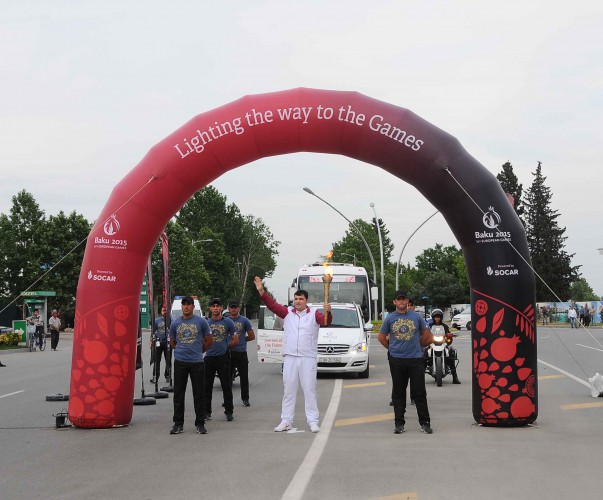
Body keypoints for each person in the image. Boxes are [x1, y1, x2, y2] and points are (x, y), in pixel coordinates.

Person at [254, 276, 331, 433]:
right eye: (296, 299)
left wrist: (329, 312)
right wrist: (262, 291)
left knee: (309, 390)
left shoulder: (314, 314)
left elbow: (325, 322)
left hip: (307, 357)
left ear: (306, 300)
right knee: (289, 390)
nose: (297, 301)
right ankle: (286, 420)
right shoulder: (287, 312)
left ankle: (313, 421)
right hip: (290, 357)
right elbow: (272, 305)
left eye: (301, 299)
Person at [379, 289, 435, 435]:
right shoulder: (390, 318)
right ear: (395, 302)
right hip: (397, 360)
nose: (402, 302)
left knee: (419, 392)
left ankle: (425, 423)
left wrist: (420, 346)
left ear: (408, 301)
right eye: (399, 299)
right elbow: (381, 337)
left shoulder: (416, 317)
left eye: (404, 299)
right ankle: (399, 423)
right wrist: (391, 349)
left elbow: (427, 335)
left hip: (415, 359)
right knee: (398, 392)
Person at [169, 296, 212, 435]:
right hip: (180, 362)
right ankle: (178, 423)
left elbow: (209, 340)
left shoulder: (201, 322)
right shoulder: (175, 323)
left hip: (197, 363)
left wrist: (200, 351)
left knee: (199, 394)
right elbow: (172, 342)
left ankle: (200, 423)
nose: (186, 307)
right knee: (178, 394)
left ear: (193, 307)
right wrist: (182, 351)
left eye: (189, 305)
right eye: (184, 305)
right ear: (182, 307)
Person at [204, 298, 238, 422]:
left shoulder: (228, 322)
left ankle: (229, 411)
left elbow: (235, 339)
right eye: (214, 306)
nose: (216, 308)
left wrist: (226, 348)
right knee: (207, 386)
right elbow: (202, 339)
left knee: (226, 385)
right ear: (210, 308)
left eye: (218, 306)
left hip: (223, 357)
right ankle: (206, 411)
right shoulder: (206, 323)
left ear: (221, 308)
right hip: (209, 357)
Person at [227, 301, 255, 407]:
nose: (234, 309)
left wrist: (242, 340)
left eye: (235, 307)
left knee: (244, 376)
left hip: (241, 352)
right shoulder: (226, 320)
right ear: (229, 309)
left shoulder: (244, 320)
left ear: (238, 308)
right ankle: (227, 400)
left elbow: (252, 336)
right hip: (229, 352)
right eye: (232, 307)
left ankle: (245, 398)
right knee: (227, 377)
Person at [429, 308, 460, 384]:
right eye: (436, 317)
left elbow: (449, 335)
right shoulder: (429, 326)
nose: (437, 318)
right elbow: (425, 333)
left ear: (441, 318)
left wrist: (449, 336)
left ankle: (455, 377)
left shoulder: (445, 326)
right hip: (432, 343)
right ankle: (420, 378)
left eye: (438, 317)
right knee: (423, 354)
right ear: (433, 317)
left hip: (442, 343)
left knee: (451, 353)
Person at [151, 306, 170, 384]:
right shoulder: (157, 320)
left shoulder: (171, 320)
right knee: (156, 361)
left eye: (166, 310)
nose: (164, 312)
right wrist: (151, 342)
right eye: (163, 310)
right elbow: (153, 332)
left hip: (167, 343)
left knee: (168, 360)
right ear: (161, 311)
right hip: (159, 342)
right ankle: (155, 376)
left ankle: (168, 376)